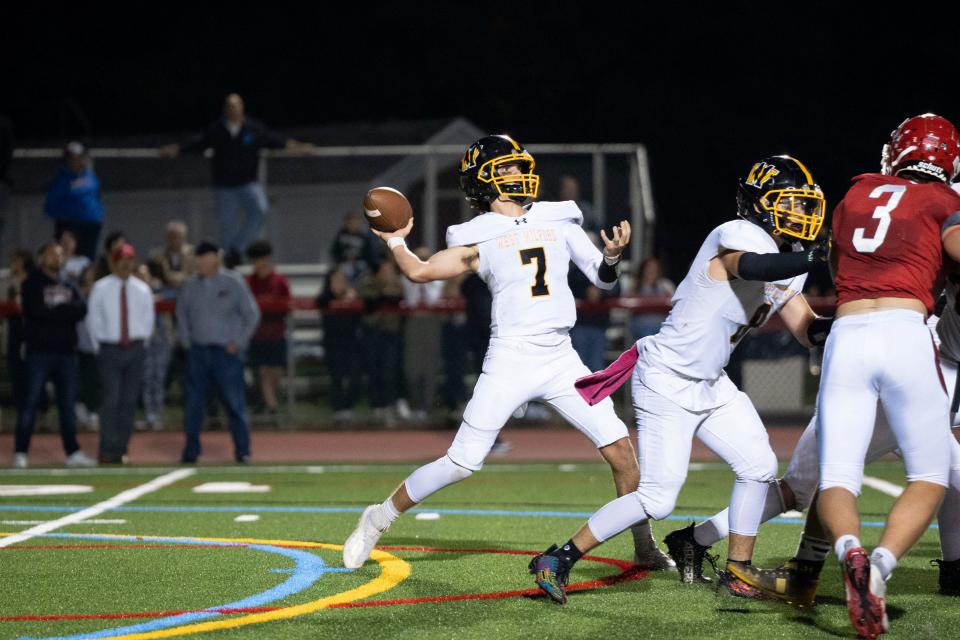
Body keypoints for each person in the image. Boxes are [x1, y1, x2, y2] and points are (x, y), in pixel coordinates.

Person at [342, 134, 672, 572]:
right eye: (507, 168)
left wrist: (611, 257)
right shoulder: (475, 233)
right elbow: (421, 273)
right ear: (484, 180)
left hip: (561, 357)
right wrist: (396, 241)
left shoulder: (559, 217)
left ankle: (643, 544)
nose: (519, 172)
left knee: (622, 454)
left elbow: (603, 278)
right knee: (461, 463)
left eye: (519, 165)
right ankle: (378, 517)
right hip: (511, 358)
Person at [528, 155, 832, 604]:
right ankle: (558, 558)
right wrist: (814, 255)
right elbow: (750, 267)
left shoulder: (790, 261)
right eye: (791, 204)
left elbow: (807, 328)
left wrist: (859, 320)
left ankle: (739, 571)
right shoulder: (737, 234)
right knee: (657, 498)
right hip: (667, 377)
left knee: (760, 468)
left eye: (806, 207)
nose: (803, 215)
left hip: (712, 383)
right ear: (760, 204)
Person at [808, 114, 960, 638]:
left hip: (847, 335)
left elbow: (835, 261)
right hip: (905, 330)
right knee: (930, 476)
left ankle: (848, 549)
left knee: (836, 478)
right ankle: (880, 566)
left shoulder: (855, 193)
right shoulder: (944, 202)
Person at [159, 93, 313, 266]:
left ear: (242, 107)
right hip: (225, 186)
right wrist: (176, 149)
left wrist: (299, 147)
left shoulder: (253, 128)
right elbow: (197, 143)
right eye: (230, 105)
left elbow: (275, 140)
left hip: (248, 183)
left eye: (237, 105)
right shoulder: (217, 129)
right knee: (227, 226)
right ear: (225, 109)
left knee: (260, 210)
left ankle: (235, 251)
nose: (234, 108)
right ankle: (227, 262)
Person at [12, 241, 96, 468]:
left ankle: (72, 452)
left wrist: (56, 311)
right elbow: (36, 311)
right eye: (51, 254)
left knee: (67, 406)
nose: (56, 258)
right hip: (39, 352)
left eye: (60, 255)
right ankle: (20, 452)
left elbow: (82, 308)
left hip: (66, 353)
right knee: (29, 404)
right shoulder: (32, 283)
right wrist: (63, 312)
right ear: (42, 257)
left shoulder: (69, 282)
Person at [176, 239, 260, 463]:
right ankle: (191, 452)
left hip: (226, 353)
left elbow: (251, 314)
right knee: (193, 405)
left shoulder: (233, 282)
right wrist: (186, 342)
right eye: (197, 258)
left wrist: (239, 342)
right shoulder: (190, 286)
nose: (199, 262)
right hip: (198, 352)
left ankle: (243, 451)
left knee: (235, 403)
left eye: (202, 257)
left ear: (214, 258)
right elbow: (181, 315)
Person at [86, 243, 155, 464]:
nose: (126, 264)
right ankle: (107, 449)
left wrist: (141, 344)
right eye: (122, 260)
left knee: (129, 401)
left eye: (130, 260)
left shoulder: (142, 289)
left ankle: (121, 448)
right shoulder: (101, 287)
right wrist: (100, 347)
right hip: (110, 348)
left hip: (134, 348)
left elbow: (148, 319)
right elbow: (93, 320)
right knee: (111, 399)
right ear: (113, 262)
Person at [245, 240, 291, 417]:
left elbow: (287, 305)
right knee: (263, 371)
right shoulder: (249, 282)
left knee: (276, 371)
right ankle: (272, 408)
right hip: (257, 335)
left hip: (276, 333)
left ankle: (267, 404)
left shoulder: (279, 281)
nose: (259, 264)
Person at [317, 268, 362, 424]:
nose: (340, 283)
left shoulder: (352, 296)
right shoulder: (325, 297)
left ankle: (348, 407)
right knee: (336, 377)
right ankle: (338, 409)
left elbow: (362, 313)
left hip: (351, 343)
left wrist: (351, 299)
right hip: (333, 343)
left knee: (355, 377)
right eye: (336, 280)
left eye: (342, 280)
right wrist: (336, 296)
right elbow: (320, 302)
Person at [43, 142, 103, 260]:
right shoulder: (62, 180)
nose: (77, 161)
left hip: (91, 227)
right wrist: (66, 219)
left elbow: (96, 196)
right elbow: (50, 206)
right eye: (73, 158)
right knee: (68, 259)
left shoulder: (90, 176)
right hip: (71, 227)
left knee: (87, 260)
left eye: (79, 157)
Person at [628, 257, 675, 340]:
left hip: (662, 326)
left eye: (654, 268)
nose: (651, 271)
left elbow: (675, 303)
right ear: (642, 270)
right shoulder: (635, 285)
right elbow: (627, 302)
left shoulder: (666, 284)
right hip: (641, 325)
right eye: (648, 268)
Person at [329, 210, 379, 285]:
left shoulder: (364, 237)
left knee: (364, 274)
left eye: (356, 221)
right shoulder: (341, 236)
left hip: (360, 263)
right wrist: (340, 261)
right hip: (344, 263)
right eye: (351, 222)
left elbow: (369, 254)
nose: (353, 224)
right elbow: (334, 252)